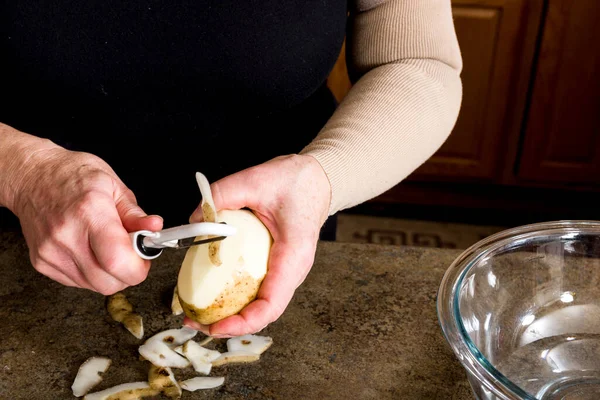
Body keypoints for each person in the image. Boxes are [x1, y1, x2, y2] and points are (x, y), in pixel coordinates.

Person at [0, 0, 462, 337]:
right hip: (19, 241)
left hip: (279, 238)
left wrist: (323, 176)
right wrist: (20, 171)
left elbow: (418, 60)